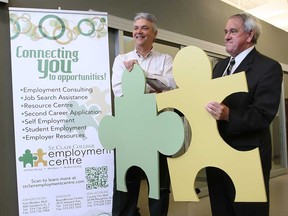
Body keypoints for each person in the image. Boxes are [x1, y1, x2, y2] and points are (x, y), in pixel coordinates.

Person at [205, 12, 283, 216]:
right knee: (221, 209)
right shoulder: (220, 66)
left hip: (248, 155)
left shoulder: (268, 67)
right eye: (225, 32)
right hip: (216, 154)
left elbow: (263, 114)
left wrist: (229, 115)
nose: (226, 36)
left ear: (249, 35)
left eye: (232, 31)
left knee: (248, 210)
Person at [111, 12, 177, 216]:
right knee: (127, 180)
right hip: (129, 130)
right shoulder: (121, 60)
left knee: (158, 182)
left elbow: (170, 86)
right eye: (136, 28)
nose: (139, 32)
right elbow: (119, 91)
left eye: (145, 28)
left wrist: (142, 74)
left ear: (154, 34)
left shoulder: (165, 59)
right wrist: (152, 87)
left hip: (156, 128)